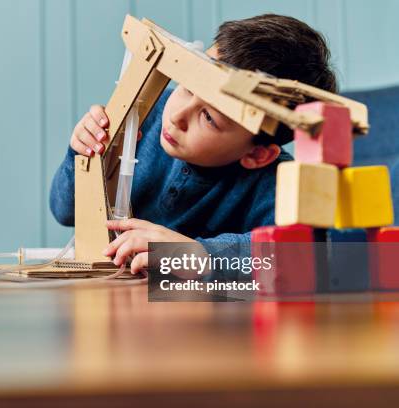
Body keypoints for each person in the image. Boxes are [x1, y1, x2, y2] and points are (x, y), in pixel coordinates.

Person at [50, 14, 338, 277]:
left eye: (209, 118)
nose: (176, 115)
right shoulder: (144, 114)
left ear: (257, 154)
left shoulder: (280, 184)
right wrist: (81, 154)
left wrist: (198, 255)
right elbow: (64, 211)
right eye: (188, 87)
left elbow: (302, 255)